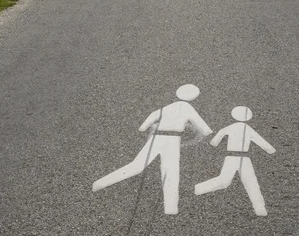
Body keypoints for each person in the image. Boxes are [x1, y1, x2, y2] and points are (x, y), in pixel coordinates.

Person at [93, 84, 212, 215]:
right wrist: (207, 131)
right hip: (172, 139)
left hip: (157, 136)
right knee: (170, 171)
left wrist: (143, 127)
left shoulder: (168, 107)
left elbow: (154, 114)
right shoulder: (187, 107)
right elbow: (201, 125)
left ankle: (100, 183)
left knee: (137, 165)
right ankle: (170, 207)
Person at [195, 106, 275, 216]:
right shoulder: (247, 128)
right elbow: (259, 140)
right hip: (243, 157)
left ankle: (199, 189)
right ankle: (259, 208)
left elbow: (216, 139)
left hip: (232, 157)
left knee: (226, 181)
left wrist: (214, 142)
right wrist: (270, 150)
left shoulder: (230, 127)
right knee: (250, 183)